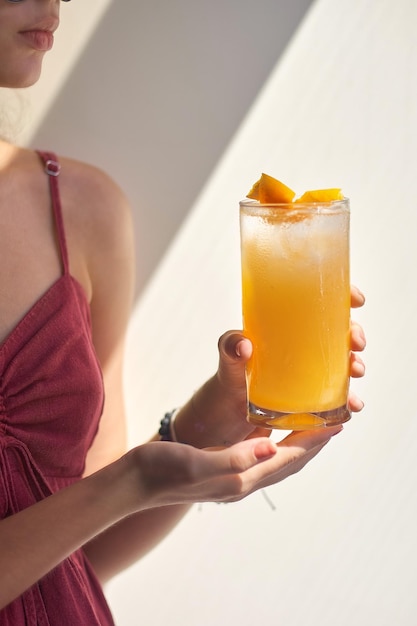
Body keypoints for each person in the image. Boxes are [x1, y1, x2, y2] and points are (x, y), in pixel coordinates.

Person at [0, 1, 366, 623]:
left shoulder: (85, 210)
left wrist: (206, 424)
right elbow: (121, 487)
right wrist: (136, 479)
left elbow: (82, 553)